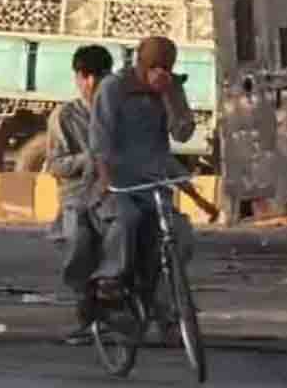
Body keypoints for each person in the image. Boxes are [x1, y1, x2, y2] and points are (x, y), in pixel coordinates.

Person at [88, 36, 219, 332]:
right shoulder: (113, 89)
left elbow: (181, 136)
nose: (161, 72)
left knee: (178, 235)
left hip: (153, 185)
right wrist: (107, 183)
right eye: (155, 67)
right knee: (127, 219)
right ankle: (110, 281)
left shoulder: (169, 89)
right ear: (141, 64)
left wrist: (172, 97)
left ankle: (165, 306)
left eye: (167, 68)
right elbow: (100, 143)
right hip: (118, 183)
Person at [45, 44, 115, 345]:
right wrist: (88, 160)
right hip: (79, 194)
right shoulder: (64, 116)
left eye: (98, 76)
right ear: (78, 78)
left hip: (115, 191)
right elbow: (55, 165)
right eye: (86, 76)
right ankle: (87, 316)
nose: (92, 84)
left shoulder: (120, 111)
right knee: (80, 243)